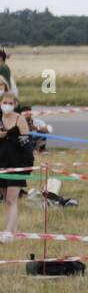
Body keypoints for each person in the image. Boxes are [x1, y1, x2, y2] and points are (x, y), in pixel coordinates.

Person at [0, 91, 33, 243]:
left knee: (12, 200)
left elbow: (27, 146)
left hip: (17, 166)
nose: (7, 106)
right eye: (4, 102)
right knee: (7, 199)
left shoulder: (20, 120)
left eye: (10, 103)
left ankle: (7, 232)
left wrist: (27, 167)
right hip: (1, 166)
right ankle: (13, 230)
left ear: (15, 104)